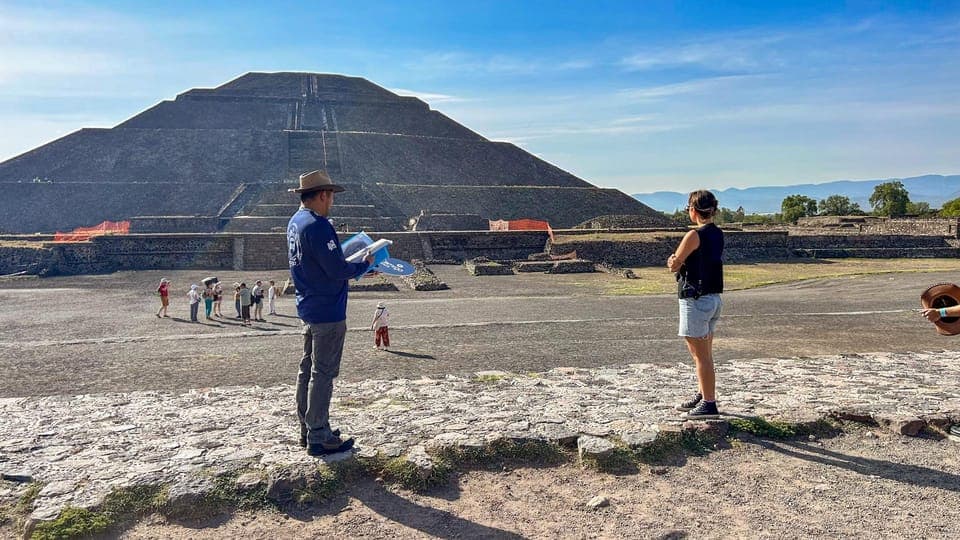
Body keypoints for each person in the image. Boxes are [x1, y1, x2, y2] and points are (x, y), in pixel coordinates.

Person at [288, 170, 374, 456]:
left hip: (308, 306)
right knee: (322, 373)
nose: (332, 202)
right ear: (323, 195)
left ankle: (308, 426)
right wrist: (364, 265)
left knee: (307, 371)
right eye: (332, 197)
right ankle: (319, 435)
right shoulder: (318, 225)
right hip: (328, 310)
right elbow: (337, 269)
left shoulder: (295, 222)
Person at [668, 190, 724, 420]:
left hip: (696, 299)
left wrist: (672, 261)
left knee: (700, 356)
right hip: (713, 298)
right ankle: (703, 394)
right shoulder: (718, 233)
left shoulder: (693, 236)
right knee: (706, 353)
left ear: (693, 210)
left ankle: (709, 403)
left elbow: (675, 264)